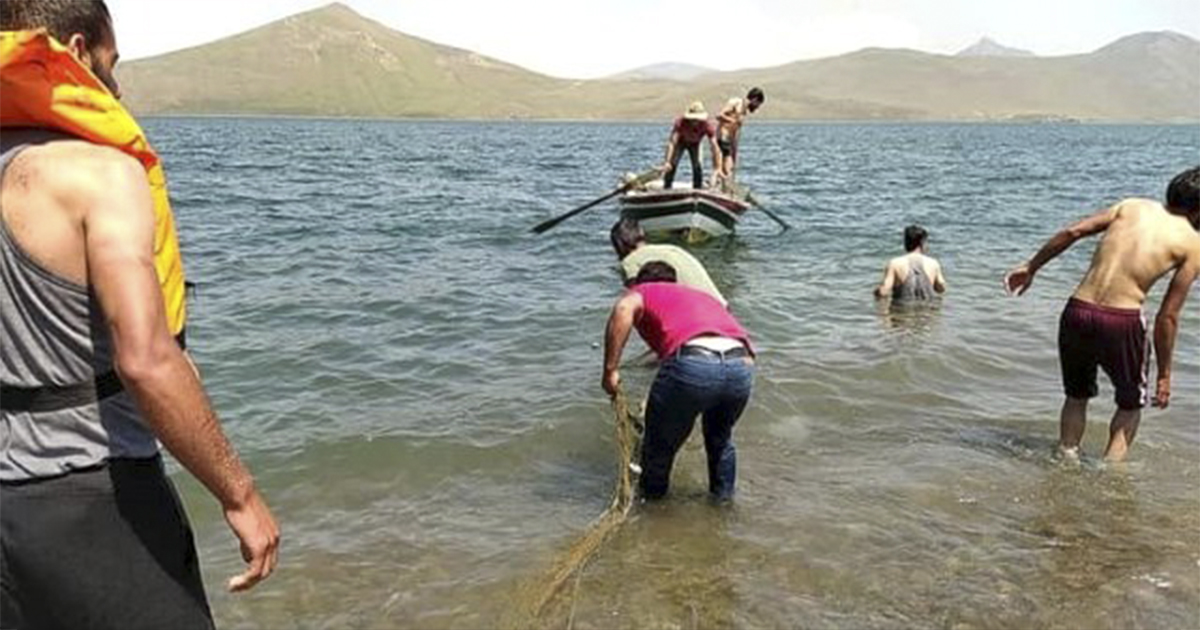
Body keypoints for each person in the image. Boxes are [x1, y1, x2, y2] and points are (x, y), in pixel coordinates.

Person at [1, 2, 279, 628]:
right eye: (111, 64)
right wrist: (241, 495)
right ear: (76, 52)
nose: (118, 87)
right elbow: (147, 360)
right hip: (95, 499)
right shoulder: (101, 175)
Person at [1003, 167, 1200, 462]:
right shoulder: (1193, 244)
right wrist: (1165, 376)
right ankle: (1110, 475)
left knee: (1076, 396)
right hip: (1122, 321)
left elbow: (1074, 231)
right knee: (1131, 405)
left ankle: (1066, 456)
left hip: (1076, 312)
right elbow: (1167, 316)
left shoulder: (1130, 206)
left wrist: (1031, 267)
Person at [602, 262, 755, 501]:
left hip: (694, 363)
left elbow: (623, 309)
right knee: (720, 440)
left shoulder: (643, 291)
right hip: (740, 365)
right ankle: (723, 505)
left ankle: (652, 511)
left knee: (658, 447)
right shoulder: (699, 296)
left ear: (639, 282)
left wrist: (610, 370)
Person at [610, 218, 727, 307]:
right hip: (722, 308)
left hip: (697, 313)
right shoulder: (671, 249)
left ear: (619, 246)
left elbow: (634, 300)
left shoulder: (630, 261)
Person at [874, 225, 947, 301]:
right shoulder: (933, 263)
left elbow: (884, 291)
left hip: (901, 311)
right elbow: (941, 289)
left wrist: (876, 292)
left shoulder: (895, 263)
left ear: (905, 242)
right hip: (927, 311)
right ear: (922, 243)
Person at [660, 101, 721, 190]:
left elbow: (714, 146)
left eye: (697, 120)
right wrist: (667, 161)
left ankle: (697, 188)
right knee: (673, 164)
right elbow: (672, 143)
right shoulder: (680, 122)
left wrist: (717, 167)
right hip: (680, 143)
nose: (694, 122)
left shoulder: (707, 125)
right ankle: (667, 186)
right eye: (693, 119)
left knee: (697, 165)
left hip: (695, 144)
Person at [715, 87, 764, 185]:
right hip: (723, 136)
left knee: (731, 164)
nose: (757, 108)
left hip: (730, 140)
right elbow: (719, 115)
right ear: (754, 99)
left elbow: (735, 130)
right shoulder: (736, 103)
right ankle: (725, 185)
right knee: (727, 165)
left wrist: (734, 149)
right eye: (758, 104)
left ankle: (724, 186)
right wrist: (733, 121)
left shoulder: (744, 111)